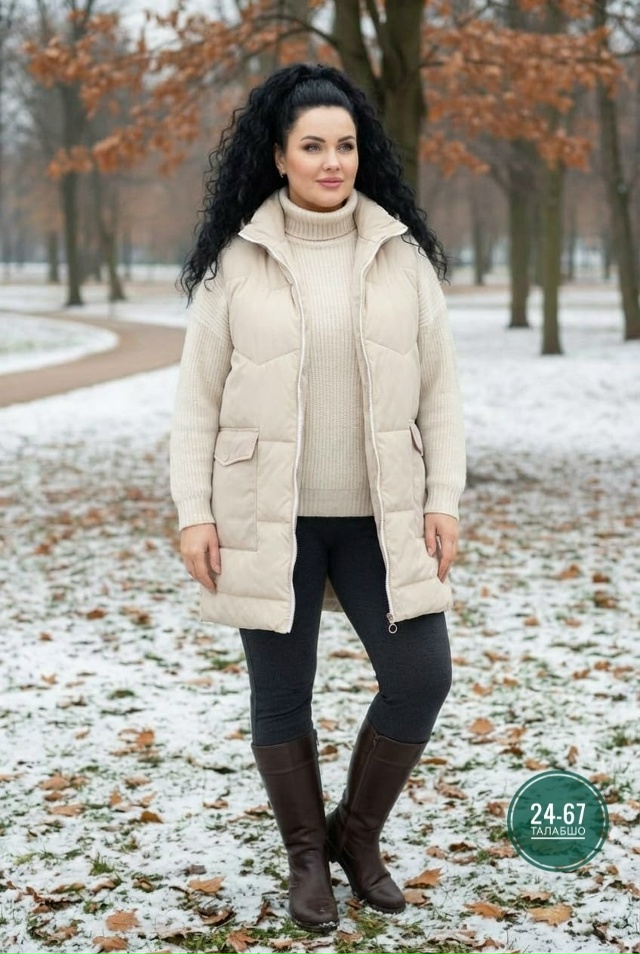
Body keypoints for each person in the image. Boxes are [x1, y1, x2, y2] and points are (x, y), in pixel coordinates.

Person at [170, 62, 466, 934]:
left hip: (383, 518)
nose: (332, 162)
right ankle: (307, 858)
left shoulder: (402, 257)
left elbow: (442, 394)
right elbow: (196, 402)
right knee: (281, 695)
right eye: (312, 147)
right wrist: (195, 513)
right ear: (279, 156)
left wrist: (443, 500)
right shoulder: (237, 262)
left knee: (422, 676)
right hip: (268, 519)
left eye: (345, 145)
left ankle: (354, 836)